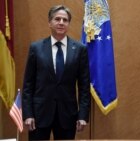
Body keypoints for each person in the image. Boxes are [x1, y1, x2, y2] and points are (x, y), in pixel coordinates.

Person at [22, 5, 91, 140]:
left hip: (67, 115)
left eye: (65, 20)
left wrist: (82, 115)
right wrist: (28, 114)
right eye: (57, 19)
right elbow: (28, 85)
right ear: (49, 23)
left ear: (68, 24)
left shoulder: (79, 49)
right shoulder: (36, 48)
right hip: (39, 116)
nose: (61, 23)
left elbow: (84, 87)